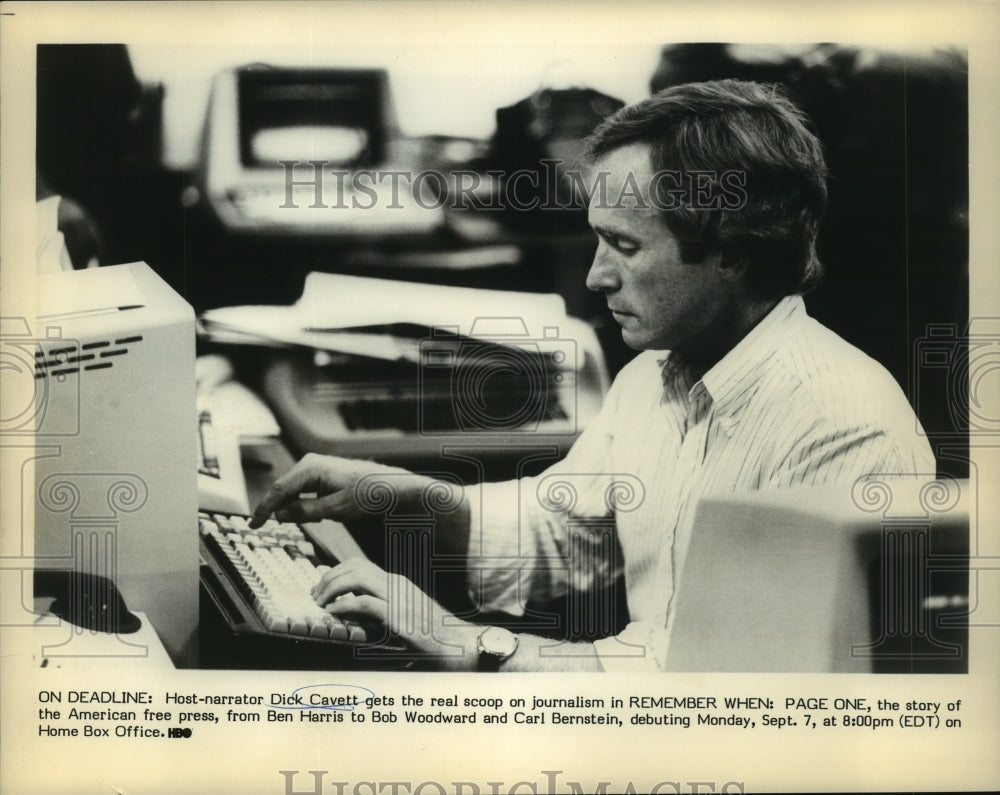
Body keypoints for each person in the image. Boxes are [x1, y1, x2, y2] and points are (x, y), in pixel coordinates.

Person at [250, 79, 935, 672]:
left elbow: (709, 688)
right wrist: (403, 494)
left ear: (730, 251)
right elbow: (562, 531)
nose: (595, 274)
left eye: (626, 245)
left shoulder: (843, 426)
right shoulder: (655, 376)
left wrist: (466, 641)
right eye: (598, 238)